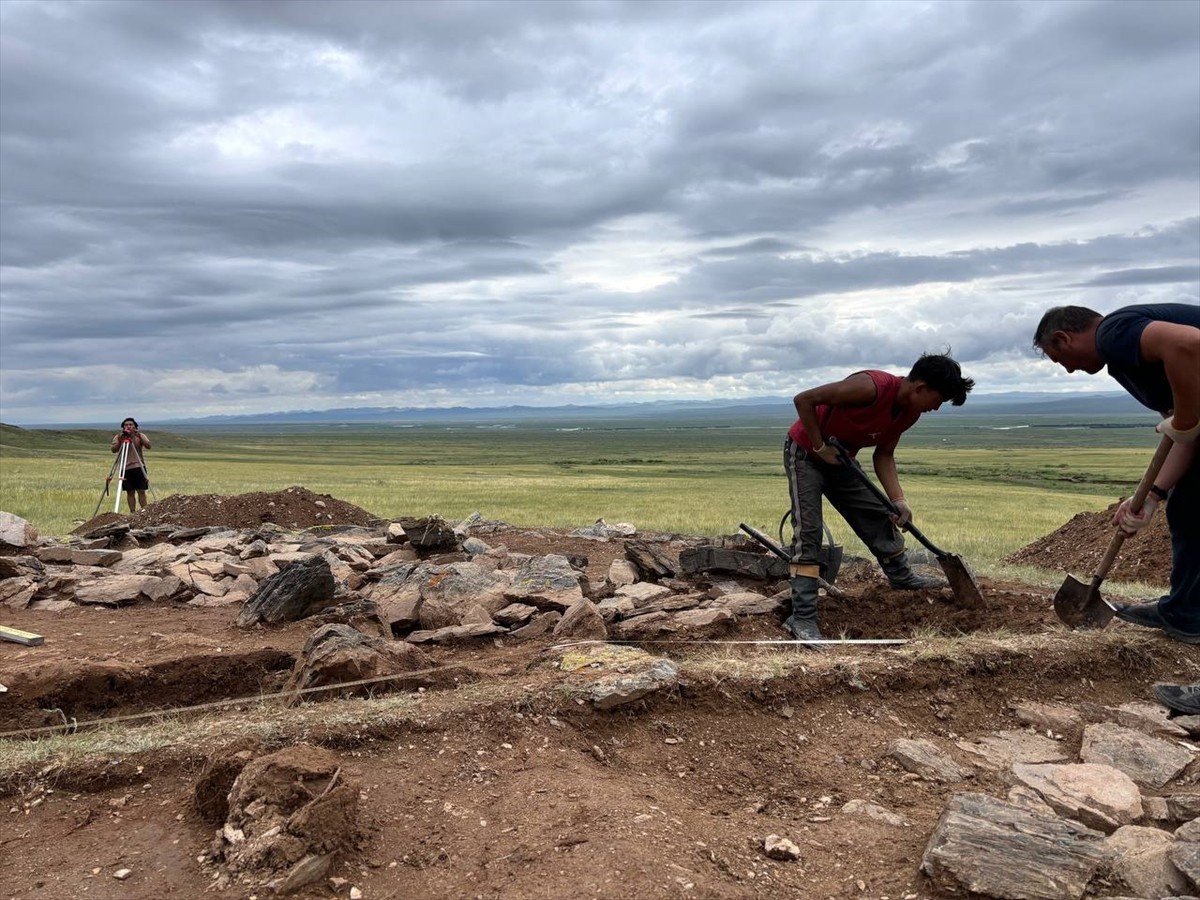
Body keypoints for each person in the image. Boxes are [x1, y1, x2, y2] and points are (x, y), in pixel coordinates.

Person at [1033, 303, 1199, 644]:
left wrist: (1185, 417)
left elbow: (1188, 343)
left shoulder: (1112, 332)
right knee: (1189, 507)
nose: (1066, 371)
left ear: (1064, 339)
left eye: (1058, 359)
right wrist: (1153, 496)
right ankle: (1184, 613)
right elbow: (1186, 439)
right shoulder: (1128, 363)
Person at [782, 352, 975, 640]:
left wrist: (898, 499)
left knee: (876, 512)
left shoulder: (909, 411)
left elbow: (884, 454)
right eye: (939, 399)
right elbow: (804, 399)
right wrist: (820, 446)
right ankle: (802, 617)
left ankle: (901, 576)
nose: (936, 407)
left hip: (841, 459)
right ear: (921, 388)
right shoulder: (869, 387)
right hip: (806, 455)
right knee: (809, 532)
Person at [110, 417, 152, 512]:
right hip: (125, 468)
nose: (128, 426)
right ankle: (132, 512)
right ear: (123, 427)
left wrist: (139, 436)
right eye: (126, 425)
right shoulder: (119, 437)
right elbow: (113, 450)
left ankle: (144, 512)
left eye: (130, 425)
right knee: (130, 492)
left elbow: (148, 446)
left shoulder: (139, 435)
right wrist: (121, 440)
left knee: (141, 491)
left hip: (139, 467)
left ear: (135, 427)